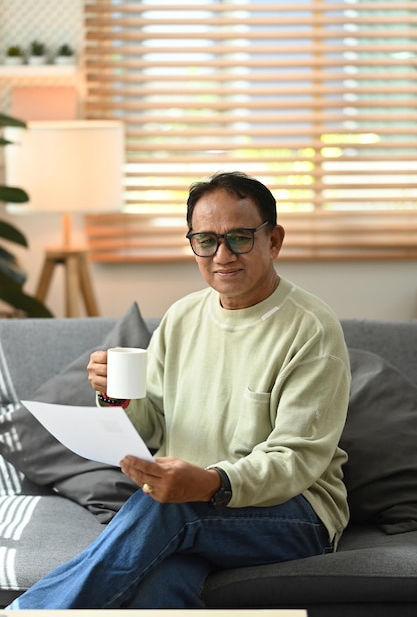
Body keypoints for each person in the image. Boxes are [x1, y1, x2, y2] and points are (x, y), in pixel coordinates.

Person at [7, 171, 351, 609]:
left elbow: (296, 460)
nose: (222, 254)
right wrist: (118, 397)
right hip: (196, 505)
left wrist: (210, 483)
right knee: (160, 581)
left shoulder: (311, 329)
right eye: (206, 240)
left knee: (164, 509)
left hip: (296, 512)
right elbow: (152, 426)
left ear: (274, 240)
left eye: (239, 238)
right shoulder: (183, 316)